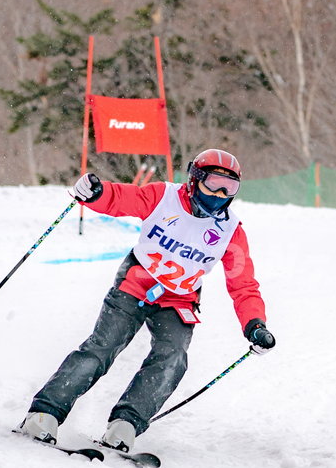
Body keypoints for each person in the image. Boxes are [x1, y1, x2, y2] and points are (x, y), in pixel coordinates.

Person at [19, 149, 276, 452]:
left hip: (179, 298)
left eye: (229, 188)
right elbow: (121, 199)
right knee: (103, 347)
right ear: (195, 179)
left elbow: (243, 284)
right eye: (213, 183)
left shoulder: (230, 231)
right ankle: (44, 413)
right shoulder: (163, 197)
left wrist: (254, 323)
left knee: (172, 357)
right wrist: (95, 193)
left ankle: (125, 424)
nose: (220, 193)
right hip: (136, 283)